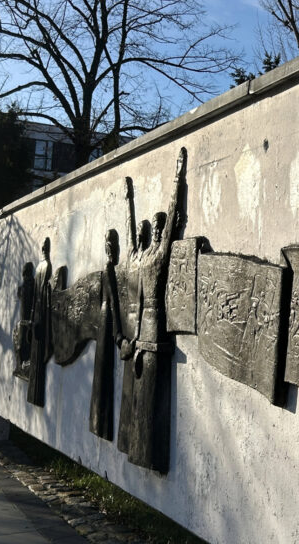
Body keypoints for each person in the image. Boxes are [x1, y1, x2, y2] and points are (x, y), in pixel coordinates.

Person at [116, 149, 186, 473]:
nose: (157, 231)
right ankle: (136, 449)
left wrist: (178, 178)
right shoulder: (139, 258)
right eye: (154, 227)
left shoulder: (160, 254)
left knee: (151, 401)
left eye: (160, 227)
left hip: (155, 331)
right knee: (136, 402)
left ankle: (148, 454)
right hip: (138, 336)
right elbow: (129, 234)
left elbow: (173, 217)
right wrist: (128, 200)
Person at [90, 229, 123, 440]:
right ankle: (100, 421)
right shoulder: (109, 269)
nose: (112, 248)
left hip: (105, 320)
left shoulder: (109, 269)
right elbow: (113, 302)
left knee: (103, 371)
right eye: (111, 244)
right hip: (106, 321)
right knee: (103, 371)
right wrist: (118, 333)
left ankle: (100, 421)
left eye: (114, 244)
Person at [26, 237, 53, 407]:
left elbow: (42, 291)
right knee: (35, 352)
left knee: (39, 353)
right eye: (42, 247)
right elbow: (36, 293)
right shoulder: (40, 267)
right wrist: (31, 317)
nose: (43, 249)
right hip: (37, 314)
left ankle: (36, 393)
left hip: (40, 313)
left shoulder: (46, 266)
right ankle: (33, 392)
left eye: (45, 247)